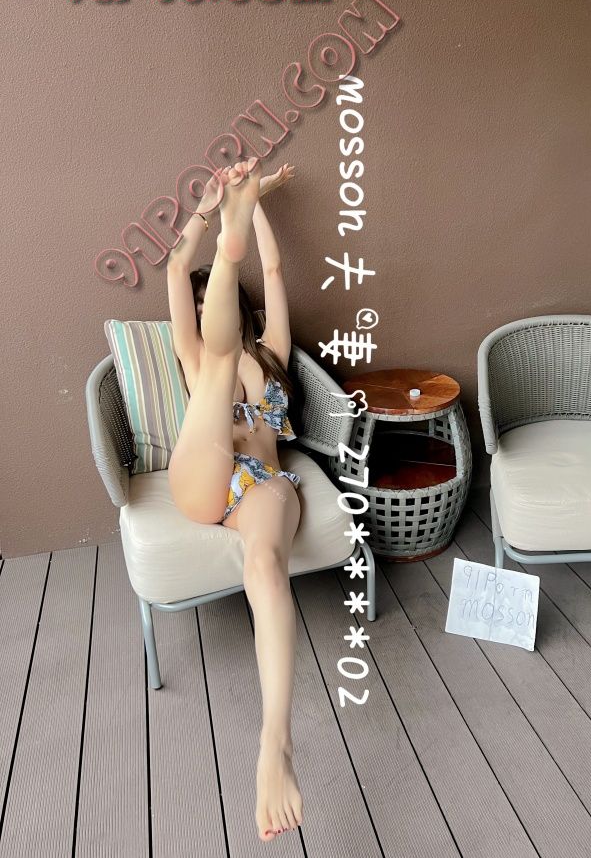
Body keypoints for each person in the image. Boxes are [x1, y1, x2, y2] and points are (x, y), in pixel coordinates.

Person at [166, 158, 303, 842]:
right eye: (193, 310)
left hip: (258, 487)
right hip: (203, 473)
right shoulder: (196, 356)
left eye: (208, 305)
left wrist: (259, 200)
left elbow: (273, 272)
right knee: (215, 369)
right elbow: (173, 267)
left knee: (264, 566)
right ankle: (229, 234)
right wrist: (213, 207)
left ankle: (275, 743)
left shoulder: (272, 351)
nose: (196, 315)